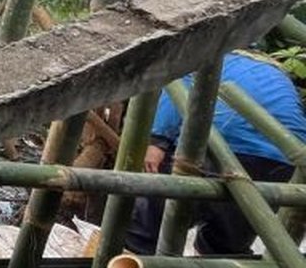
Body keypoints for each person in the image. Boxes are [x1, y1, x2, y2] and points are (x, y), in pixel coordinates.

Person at [126, 51, 306, 256]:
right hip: (283, 160)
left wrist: (158, 141)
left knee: (144, 231)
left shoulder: (204, 54)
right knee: (224, 248)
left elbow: (177, 94)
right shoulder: (273, 70)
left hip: (220, 146)